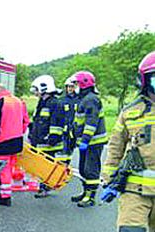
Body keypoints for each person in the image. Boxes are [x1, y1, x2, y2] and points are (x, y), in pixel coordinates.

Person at [100, 51, 155, 232]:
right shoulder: (130, 113)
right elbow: (114, 149)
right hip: (135, 192)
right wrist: (108, 180)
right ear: (145, 81)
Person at [70, 71, 108, 207]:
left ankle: (90, 197)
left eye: (76, 84)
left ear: (83, 84)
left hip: (93, 142)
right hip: (86, 142)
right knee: (83, 169)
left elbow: (91, 123)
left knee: (90, 169)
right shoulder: (85, 99)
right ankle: (85, 192)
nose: (74, 87)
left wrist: (85, 140)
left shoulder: (91, 99)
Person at [0, 84, 30, 206]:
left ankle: (5, 196)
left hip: (3, 142)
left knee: (3, 170)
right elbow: (26, 121)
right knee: (10, 167)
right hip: (17, 141)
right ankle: (3, 191)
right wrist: (19, 132)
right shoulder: (18, 101)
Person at [28, 75, 66, 198]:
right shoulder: (42, 103)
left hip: (49, 143)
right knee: (41, 166)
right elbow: (37, 121)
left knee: (47, 167)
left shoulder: (55, 103)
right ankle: (43, 186)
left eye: (37, 90)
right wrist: (32, 135)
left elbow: (57, 123)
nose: (36, 93)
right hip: (40, 141)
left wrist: (51, 139)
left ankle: (46, 187)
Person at [59, 77, 80, 163]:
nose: (70, 89)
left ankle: (68, 165)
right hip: (65, 130)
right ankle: (63, 167)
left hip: (75, 130)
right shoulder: (62, 100)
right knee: (64, 151)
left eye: (72, 87)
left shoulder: (79, 100)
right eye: (68, 87)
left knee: (71, 150)